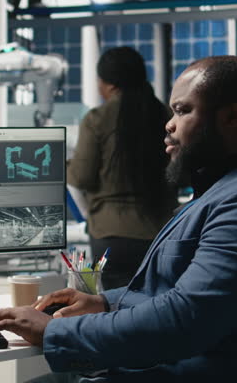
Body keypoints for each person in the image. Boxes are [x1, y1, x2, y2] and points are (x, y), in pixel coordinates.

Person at [0, 56, 237, 382]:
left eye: (183, 110)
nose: (169, 124)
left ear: (232, 117)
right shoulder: (224, 192)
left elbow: (183, 319)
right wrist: (104, 302)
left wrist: (55, 331)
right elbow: (170, 294)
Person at [67, 47, 176, 289]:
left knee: (117, 305)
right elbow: (182, 173)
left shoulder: (97, 119)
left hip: (112, 235)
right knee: (158, 302)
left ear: (109, 84)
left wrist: (87, 216)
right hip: (162, 232)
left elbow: (80, 178)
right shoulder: (165, 116)